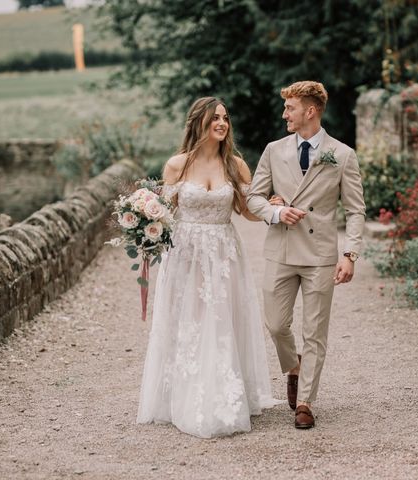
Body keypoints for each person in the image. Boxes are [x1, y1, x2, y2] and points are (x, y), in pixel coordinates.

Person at [136, 97, 281, 438]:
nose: (222, 123)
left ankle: (226, 393)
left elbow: (247, 211)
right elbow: (161, 211)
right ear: (198, 122)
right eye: (215, 117)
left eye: (226, 118)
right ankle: (183, 395)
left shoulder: (235, 165)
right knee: (191, 320)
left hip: (224, 252)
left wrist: (270, 204)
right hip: (186, 254)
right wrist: (142, 223)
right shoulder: (177, 165)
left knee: (221, 319)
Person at [247, 81, 366, 429]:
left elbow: (356, 210)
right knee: (276, 323)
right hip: (281, 249)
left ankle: (306, 402)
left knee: (315, 331)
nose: (285, 113)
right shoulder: (273, 150)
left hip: (319, 255)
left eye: (290, 108)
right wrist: (275, 212)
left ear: (310, 111)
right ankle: (293, 367)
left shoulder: (342, 155)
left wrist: (350, 254)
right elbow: (254, 198)